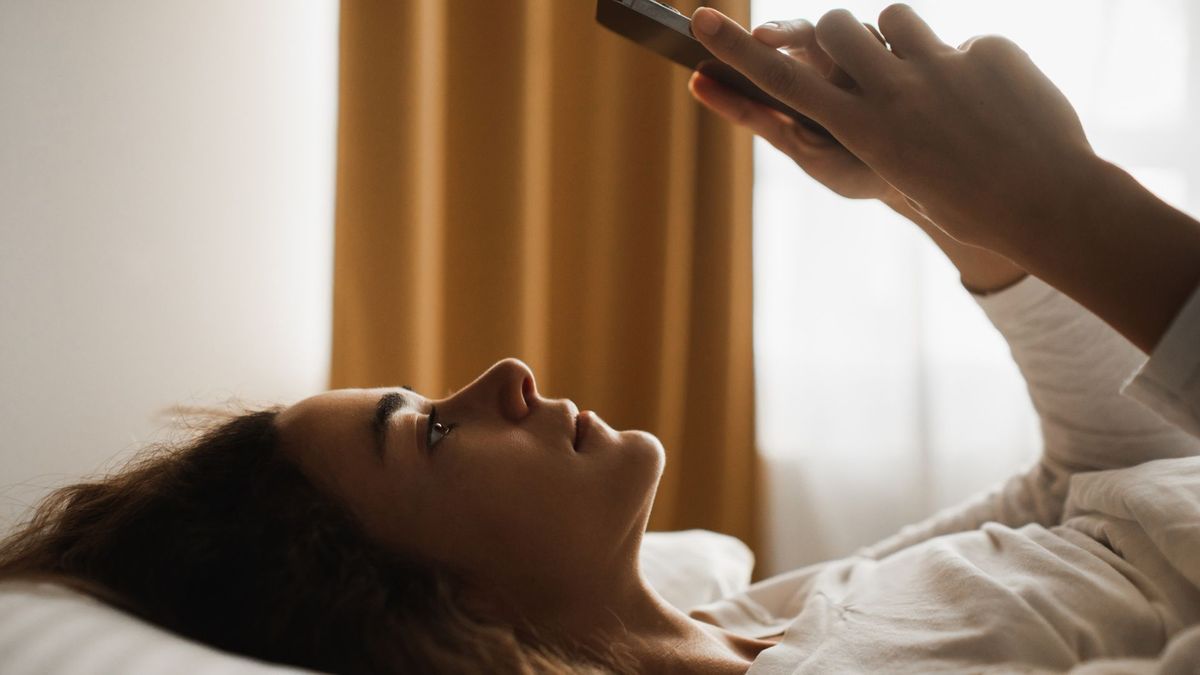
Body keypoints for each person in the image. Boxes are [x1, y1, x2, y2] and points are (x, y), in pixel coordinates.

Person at [2, 4, 1199, 674]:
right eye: (425, 431)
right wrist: (1065, 202)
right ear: (425, 608)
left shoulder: (770, 615)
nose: (503, 375)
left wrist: (941, 201)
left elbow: (1098, 486)